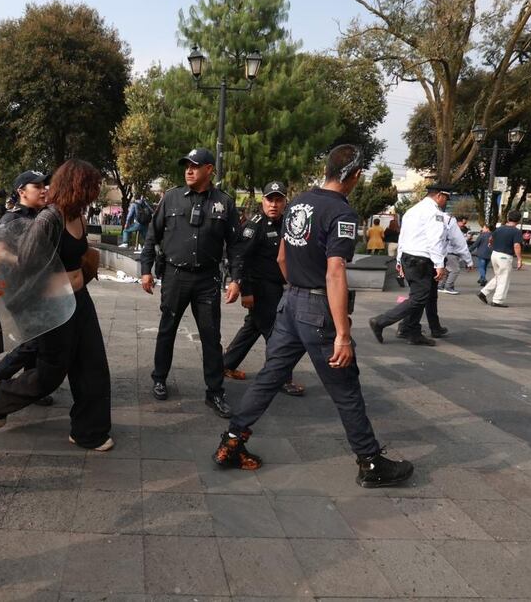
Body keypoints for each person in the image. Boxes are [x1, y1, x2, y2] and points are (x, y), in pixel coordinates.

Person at [212, 145, 413, 489]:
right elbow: (335, 272)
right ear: (354, 175)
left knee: (270, 376)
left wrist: (296, 288)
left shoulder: (298, 203)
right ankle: (369, 460)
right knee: (346, 387)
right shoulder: (341, 212)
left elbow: (281, 258)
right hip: (318, 309)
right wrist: (342, 333)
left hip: (290, 303)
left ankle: (232, 441)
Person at [0, 159, 114, 451]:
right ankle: (0, 397)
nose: (95, 192)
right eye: (91, 186)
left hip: (80, 302)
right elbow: (26, 264)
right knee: (50, 374)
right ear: (76, 186)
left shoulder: (78, 216)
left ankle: (88, 432)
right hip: (54, 306)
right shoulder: (49, 218)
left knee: (93, 365)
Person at [139, 148, 239, 417]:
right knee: (167, 329)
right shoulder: (171, 198)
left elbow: (235, 245)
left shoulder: (224, 203)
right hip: (175, 276)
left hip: (208, 279)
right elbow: (152, 235)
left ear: (210, 169)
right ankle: (159, 379)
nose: (189, 170)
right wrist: (146, 269)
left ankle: (215, 392)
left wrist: (236, 279)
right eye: (186, 166)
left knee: (211, 336)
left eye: (195, 165)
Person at [222, 182, 304, 397]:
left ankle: (225, 363)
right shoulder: (255, 225)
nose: (274, 204)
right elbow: (241, 259)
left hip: (276, 288)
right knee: (277, 334)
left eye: (278, 200)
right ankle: (282, 378)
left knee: (253, 328)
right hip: (260, 288)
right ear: (263, 201)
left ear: (285, 201)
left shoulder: (286, 223)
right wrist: (246, 290)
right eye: (270, 199)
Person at [0, 169, 54, 407]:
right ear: (22, 191)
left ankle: (31, 386)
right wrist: (27, 262)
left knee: (38, 336)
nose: (44, 189)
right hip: (19, 290)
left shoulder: (42, 216)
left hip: (36, 288)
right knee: (35, 340)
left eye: (45, 185)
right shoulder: (11, 218)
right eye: (38, 186)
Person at [368, 184, 458, 346]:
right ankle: (380, 321)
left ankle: (412, 331)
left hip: (409, 257)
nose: (446, 201)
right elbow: (435, 239)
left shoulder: (412, 211)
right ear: (438, 196)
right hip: (422, 260)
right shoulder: (434, 213)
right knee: (419, 298)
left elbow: (403, 236)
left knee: (421, 295)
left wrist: (399, 260)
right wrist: (439, 264)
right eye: (445, 197)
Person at [479, 210, 524, 308]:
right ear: (518, 220)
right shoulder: (516, 231)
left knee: (499, 276)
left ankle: (483, 292)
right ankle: (497, 301)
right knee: (503, 278)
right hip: (505, 256)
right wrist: (519, 259)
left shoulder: (500, 228)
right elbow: (516, 245)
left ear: (508, 218)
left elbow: (491, 238)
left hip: (495, 254)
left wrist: (491, 245)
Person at [437, 216, 470, 294]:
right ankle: (448, 287)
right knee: (455, 270)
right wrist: (469, 261)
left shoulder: (450, 229)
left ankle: (441, 285)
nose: (463, 225)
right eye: (463, 223)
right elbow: (459, 244)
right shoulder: (453, 230)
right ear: (458, 222)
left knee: (448, 270)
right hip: (451, 253)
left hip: (447, 252)